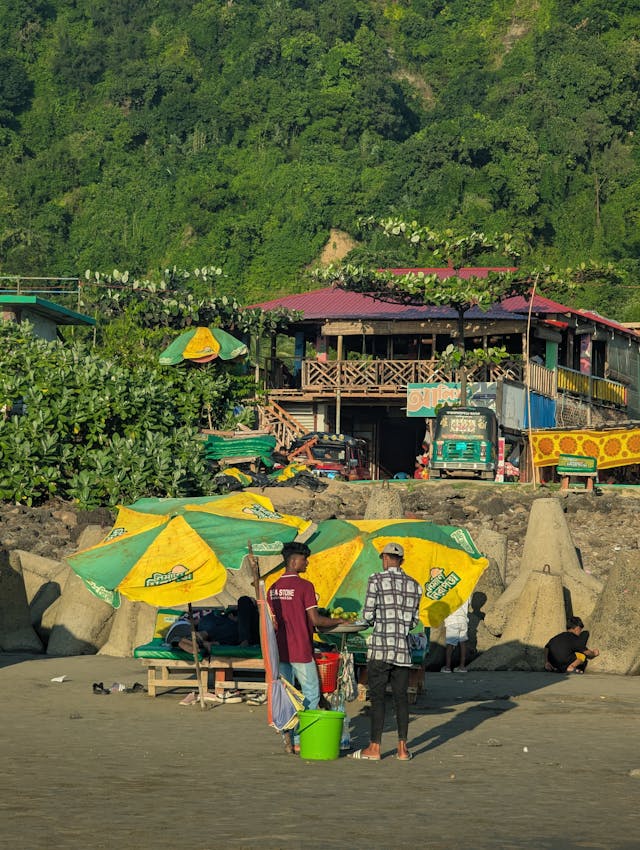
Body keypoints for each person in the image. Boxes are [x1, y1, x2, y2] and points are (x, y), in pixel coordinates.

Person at [350, 542, 422, 762]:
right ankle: (402, 749)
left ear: (384, 559)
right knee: (401, 699)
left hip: (380, 649)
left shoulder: (376, 580)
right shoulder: (415, 585)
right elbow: (413, 621)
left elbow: (369, 615)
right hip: (402, 651)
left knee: (378, 699)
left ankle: (374, 747)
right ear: (401, 561)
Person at [267, 541, 348, 713]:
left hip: (279, 650)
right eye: (305, 559)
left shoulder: (272, 589)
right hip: (300, 649)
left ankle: (288, 732)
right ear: (293, 561)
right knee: (311, 693)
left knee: (286, 693)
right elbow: (316, 620)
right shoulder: (305, 586)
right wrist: (338, 621)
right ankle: (300, 733)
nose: (307, 563)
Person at [166, 596, 260, 655]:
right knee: (223, 630)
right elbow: (194, 622)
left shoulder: (235, 624)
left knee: (243, 600)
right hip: (195, 630)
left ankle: (194, 641)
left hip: (239, 634)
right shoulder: (218, 617)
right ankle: (196, 641)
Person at [440, 598, 470, 673]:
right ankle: (462, 667)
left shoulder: (450, 591)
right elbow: (468, 604)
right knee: (463, 643)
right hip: (463, 620)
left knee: (450, 644)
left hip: (452, 620)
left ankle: (447, 667)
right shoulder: (467, 592)